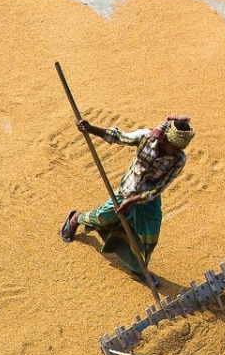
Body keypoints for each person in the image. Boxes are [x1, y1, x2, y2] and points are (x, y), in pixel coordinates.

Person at [62, 116, 193, 279]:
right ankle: (76, 218)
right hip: (127, 190)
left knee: (150, 236)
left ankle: (139, 268)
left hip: (148, 198)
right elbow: (119, 137)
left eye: (180, 148)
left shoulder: (179, 159)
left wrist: (133, 201)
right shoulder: (146, 137)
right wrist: (90, 128)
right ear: (165, 139)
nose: (176, 151)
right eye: (174, 147)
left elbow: (160, 187)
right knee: (103, 218)